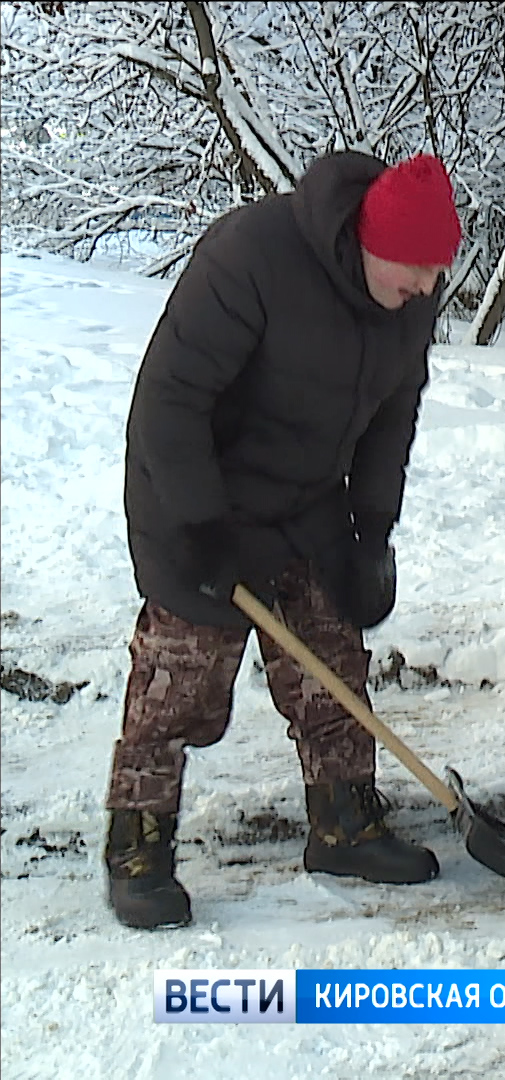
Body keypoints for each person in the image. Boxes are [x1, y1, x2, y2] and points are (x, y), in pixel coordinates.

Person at [105, 151, 462, 930]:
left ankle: (343, 821)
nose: (428, 292)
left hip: (304, 497)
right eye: (416, 272)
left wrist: (371, 532)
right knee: (181, 678)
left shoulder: (409, 303)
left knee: (331, 651)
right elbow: (168, 399)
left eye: (437, 275)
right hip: (194, 491)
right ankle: (138, 844)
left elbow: (391, 423)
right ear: (373, 242)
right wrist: (199, 523)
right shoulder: (253, 257)